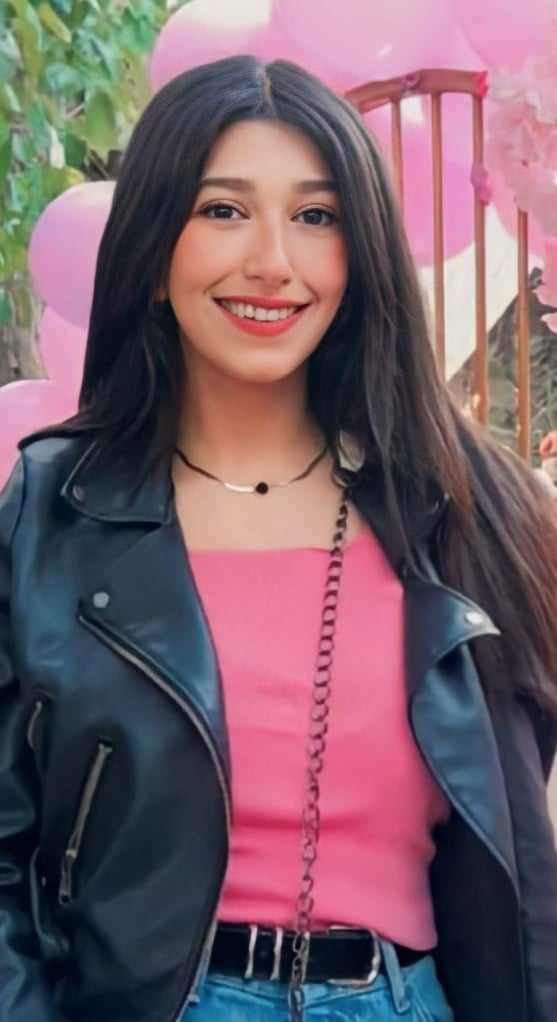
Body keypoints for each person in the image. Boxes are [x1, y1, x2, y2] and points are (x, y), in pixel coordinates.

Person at [0, 55, 556, 1022]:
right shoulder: (55, 509)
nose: (272, 260)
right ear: (154, 248)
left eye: (315, 215)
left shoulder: (465, 507)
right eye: (222, 210)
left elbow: (522, 865)